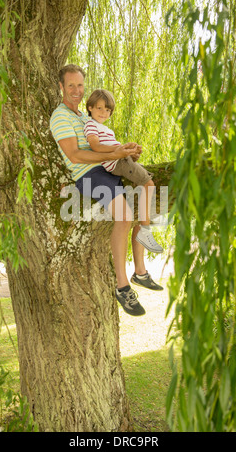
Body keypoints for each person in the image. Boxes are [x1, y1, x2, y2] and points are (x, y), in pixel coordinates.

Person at [50, 64, 163, 317]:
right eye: (71, 85)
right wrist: (116, 153)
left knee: (141, 204)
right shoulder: (60, 117)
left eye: (80, 85)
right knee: (123, 217)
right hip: (88, 175)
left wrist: (124, 151)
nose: (76, 90)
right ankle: (122, 287)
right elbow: (75, 155)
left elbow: (101, 144)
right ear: (61, 87)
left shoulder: (82, 116)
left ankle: (141, 272)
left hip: (105, 170)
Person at [84, 88, 163, 254]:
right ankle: (145, 231)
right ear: (90, 107)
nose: (104, 113)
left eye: (107, 110)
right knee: (149, 184)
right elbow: (95, 146)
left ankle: (145, 229)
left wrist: (130, 152)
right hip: (116, 163)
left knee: (147, 182)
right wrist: (121, 150)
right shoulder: (91, 125)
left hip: (121, 160)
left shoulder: (107, 130)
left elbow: (114, 149)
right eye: (100, 108)